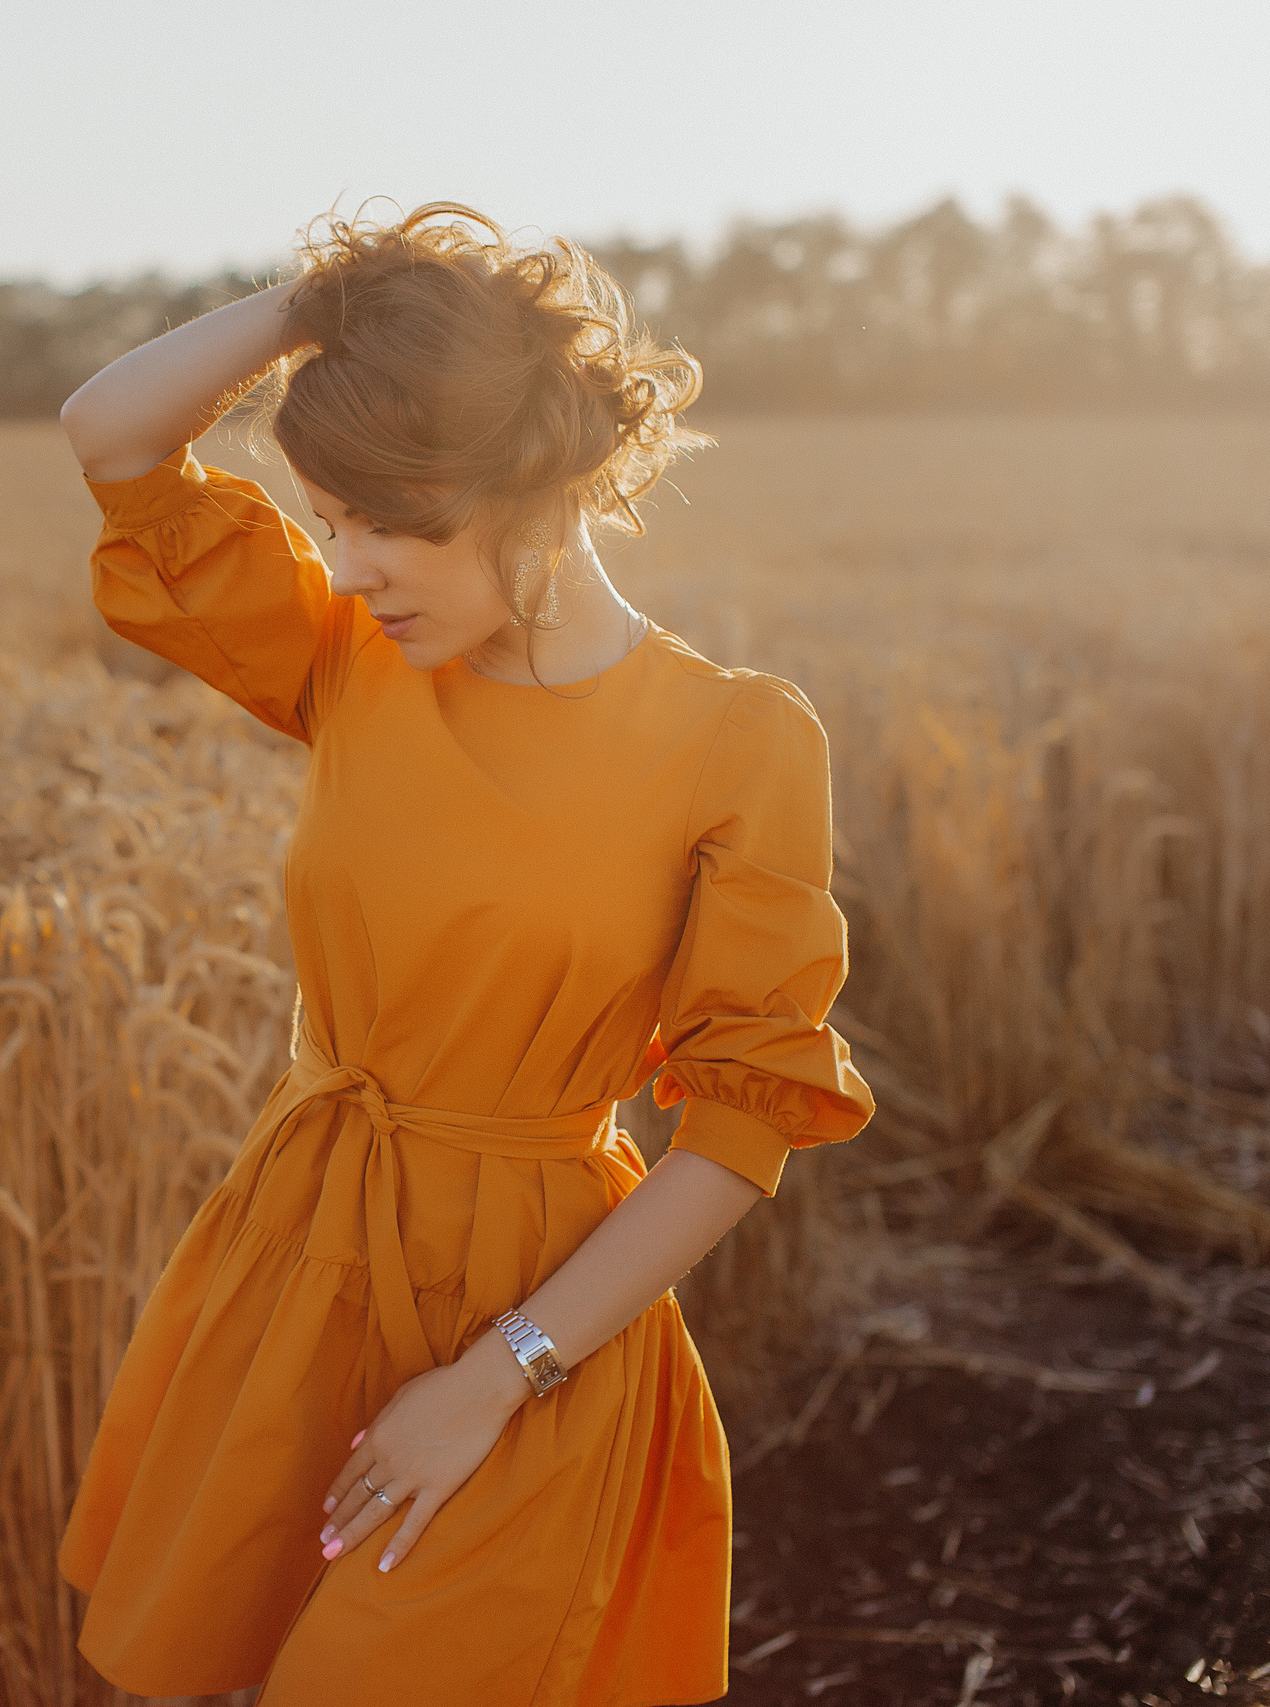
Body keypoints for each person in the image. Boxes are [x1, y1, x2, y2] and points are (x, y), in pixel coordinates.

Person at [52, 202, 875, 1707]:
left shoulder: (737, 741)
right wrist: (336, 301)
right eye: (329, 521)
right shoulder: (351, 662)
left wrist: (498, 1376)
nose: (352, 565)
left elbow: (738, 1132)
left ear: (535, 479)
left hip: (537, 1309)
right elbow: (111, 433)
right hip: (302, 1254)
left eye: (394, 520)